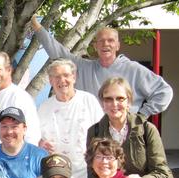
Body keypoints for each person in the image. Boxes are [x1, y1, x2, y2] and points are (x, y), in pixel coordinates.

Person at [31, 15, 173, 116]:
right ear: (95, 46)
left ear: (117, 45)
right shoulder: (83, 67)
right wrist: (36, 25)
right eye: (101, 41)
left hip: (124, 137)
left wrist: (142, 115)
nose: (106, 44)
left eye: (110, 41)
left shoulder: (134, 69)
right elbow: (56, 51)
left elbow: (164, 91)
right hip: (93, 139)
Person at [38, 58, 103, 178]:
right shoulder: (43, 107)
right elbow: (36, 139)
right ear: (50, 81)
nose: (62, 80)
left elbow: (102, 133)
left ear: (74, 77)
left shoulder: (88, 100)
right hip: (56, 175)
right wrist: (41, 143)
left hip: (87, 172)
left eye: (66, 75)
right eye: (56, 76)